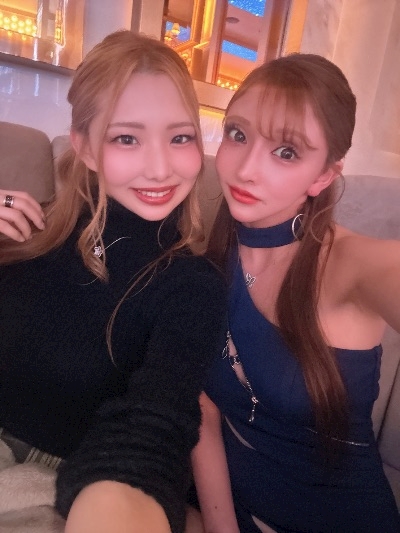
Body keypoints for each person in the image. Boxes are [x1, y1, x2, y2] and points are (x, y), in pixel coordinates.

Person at [0, 30, 227, 533]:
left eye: (180, 137)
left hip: (60, 486)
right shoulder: (29, 230)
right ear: (84, 147)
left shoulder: (192, 286)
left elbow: (153, 429)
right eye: (127, 138)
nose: (160, 167)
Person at [191, 54, 400, 532]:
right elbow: (203, 410)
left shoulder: (351, 264)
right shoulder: (206, 257)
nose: (245, 169)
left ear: (324, 175)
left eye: (286, 152)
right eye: (238, 134)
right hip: (229, 508)